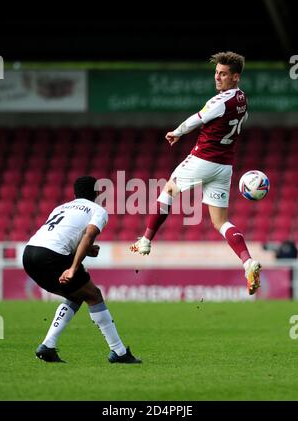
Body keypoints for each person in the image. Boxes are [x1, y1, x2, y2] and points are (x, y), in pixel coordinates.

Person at [131, 51, 261, 295]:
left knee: (169, 189)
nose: (218, 78)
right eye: (216, 73)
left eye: (223, 74)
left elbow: (196, 119)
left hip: (204, 158)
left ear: (236, 77)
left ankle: (146, 240)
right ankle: (248, 262)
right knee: (220, 222)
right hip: (224, 167)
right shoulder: (243, 99)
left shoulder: (220, 101)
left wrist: (177, 132)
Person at [23, 176, 141, 364]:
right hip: (52, 256)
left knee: (76, 295)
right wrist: (73, 268)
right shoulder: (98, 210)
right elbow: (89, 235)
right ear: (96, 193)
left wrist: (85, 249)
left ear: (75, 194)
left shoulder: (61, 207)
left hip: (29, 253)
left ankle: (48, 346)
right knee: (94, 295)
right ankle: (118, 352)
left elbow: (62, 234)